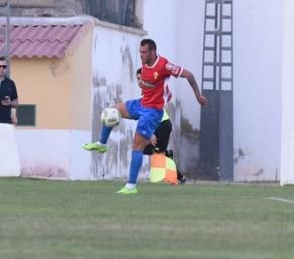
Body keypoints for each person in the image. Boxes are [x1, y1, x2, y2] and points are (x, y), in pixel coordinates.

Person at [83, 38, 207, 195]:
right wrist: (146, 86)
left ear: (152, 52)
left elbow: (189, 75)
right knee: (112, 111)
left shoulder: (164, 66)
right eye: (140, 52)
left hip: (152, 112)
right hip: (141, 103)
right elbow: (150, 83)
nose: (140, 55)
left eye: (144, 52)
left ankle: (131, 186)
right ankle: (102, 143)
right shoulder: (145, 63)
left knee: (137, 146)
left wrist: (198, 96)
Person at [143, 110, 186, 184]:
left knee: (157, 152)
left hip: (162, 124)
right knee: (145, 149)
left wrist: (150, 133)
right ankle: (167, 154)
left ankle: (177, 177)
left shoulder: (149, 101)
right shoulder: (141, 102)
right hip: (158, 125)